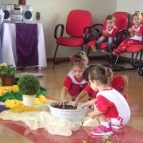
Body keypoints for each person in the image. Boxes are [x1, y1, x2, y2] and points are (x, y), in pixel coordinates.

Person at [78, 64, 131, 136]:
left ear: (95, 82)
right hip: (124, 119)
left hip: (118, 120)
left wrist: (91, 114)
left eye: (90, 82)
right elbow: (96, 100)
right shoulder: (110, 90)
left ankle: (105, 128)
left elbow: (102, 110)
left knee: (97, 106)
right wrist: (84, 105)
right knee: (98, 103)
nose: (89, 85)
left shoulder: (101, 94)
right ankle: (114, 124)